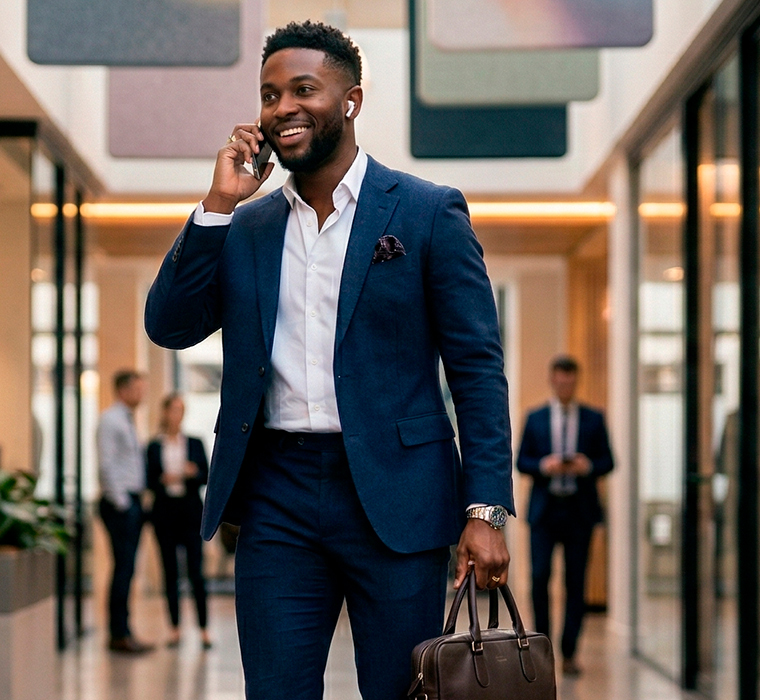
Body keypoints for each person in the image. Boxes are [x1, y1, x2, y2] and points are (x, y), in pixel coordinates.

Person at [144, 21, 513, 700]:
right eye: (269, 93)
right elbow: (168, 326)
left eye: (303, 89)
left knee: (397, 691)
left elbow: (477, 370)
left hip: (398, 497)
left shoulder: (428, 213)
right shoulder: (246, 227)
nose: (282, 106)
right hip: (275, 496)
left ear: (351, 101)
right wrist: (219, 202)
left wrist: (484, 510)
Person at [516, 355, 614, 676]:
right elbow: (522, 462)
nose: (565, 385)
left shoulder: (593, 419)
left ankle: (570, 651)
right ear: (552, 379)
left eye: (570, 380)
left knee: (576, 583)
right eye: (560, 379)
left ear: (576, 381)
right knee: (539, 577)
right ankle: (542, 648)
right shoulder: (535, 418)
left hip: (578, 511)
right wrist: (544, 465)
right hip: (545, 511)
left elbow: (608, 462)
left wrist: (588, 466)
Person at [146, 393, 212, 649]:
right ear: (165, 412)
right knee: (170, 572)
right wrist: (163, 479)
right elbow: (149, 480)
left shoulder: (194, 443)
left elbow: (206, 474)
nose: (177, 414)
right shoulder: (154, 446)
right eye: (173, 409)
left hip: (190, 513)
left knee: (196, 571)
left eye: (181, 409)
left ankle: (204, 628)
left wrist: (191, 473)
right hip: (165, 513)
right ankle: (174, 628)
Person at [97, 369, 154, 653]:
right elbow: (106, 465)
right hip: (120, 504)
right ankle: (118, 634)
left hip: (131, 502)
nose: (142, 394)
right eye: (138, 389)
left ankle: (124, 630)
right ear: (123, 390)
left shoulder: (127, 420)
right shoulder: (110, 420)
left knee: (128, 569)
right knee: (123, 569)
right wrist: (122, 503)